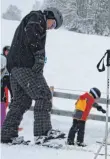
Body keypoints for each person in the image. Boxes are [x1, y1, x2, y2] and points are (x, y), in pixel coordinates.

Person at [1, 7, 65, 145]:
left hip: (15, 67)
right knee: (44, 94)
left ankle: (7, 135)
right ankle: (43, 133)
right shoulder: (37, 18)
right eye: (53, 24)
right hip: (24, 65)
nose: (50, 28)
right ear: (50, 16)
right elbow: (32, 35)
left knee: (21, 101)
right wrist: (39, 55)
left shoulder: (34, 19)